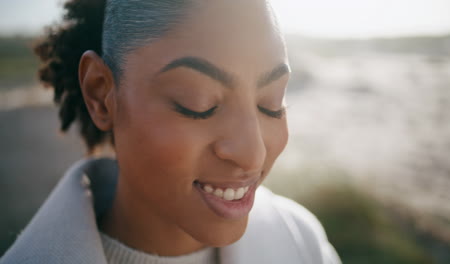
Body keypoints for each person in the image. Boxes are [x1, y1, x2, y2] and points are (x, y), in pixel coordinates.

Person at [1, 0, 341, 263]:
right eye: (198, 102)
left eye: (271, 102)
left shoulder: (304, 243)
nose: (254, 153)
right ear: (101, 94)